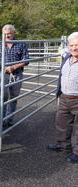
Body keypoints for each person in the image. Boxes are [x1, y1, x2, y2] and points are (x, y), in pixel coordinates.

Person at [0, 24, 29, 127]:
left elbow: (26, 60)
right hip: (3, 74)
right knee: (3, 97)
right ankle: (2, 118)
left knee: (13, 97)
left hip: (17, 74)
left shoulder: (21, 44)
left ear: (13, 33)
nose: (7, 36)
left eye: (9, 34)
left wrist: (14, 67)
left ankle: (10, 118)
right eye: (5, 34)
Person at [47, 32, 78, 163]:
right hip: (64, 97)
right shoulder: (67, 57)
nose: (74, 48)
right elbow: (64, 49)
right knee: (61, 123)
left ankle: (77, 153)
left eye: (77, 45)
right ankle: (63, 145)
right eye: (72, 45)